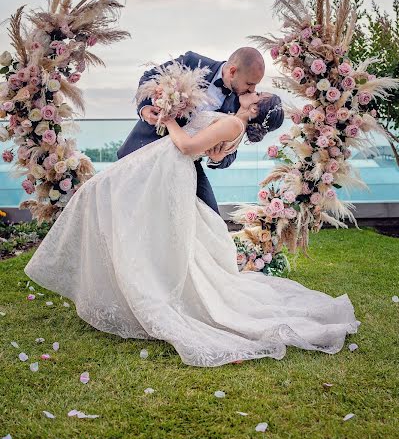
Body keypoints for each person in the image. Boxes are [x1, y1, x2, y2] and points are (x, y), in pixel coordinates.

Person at [24, 90, 359, 368]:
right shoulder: (231, 123)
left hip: (169, 166)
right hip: (160, 165)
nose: (251, 91)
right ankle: (124, 278)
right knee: (118, 208)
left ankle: (136, 283)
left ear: (255, 107)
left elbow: (186, 147)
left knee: (106, 200)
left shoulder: (231, 122)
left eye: (257, 94)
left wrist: (169, 119)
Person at [117, 47, 276, 215]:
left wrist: (219, 158)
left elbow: (232, 149)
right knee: (132, 213)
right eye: (250, 84)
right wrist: (144, 108)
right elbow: (150, 77)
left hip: (186, 161)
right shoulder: (193, 62)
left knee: (211, 216)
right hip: (149, 146)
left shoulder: (242, 104)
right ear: (232, 71)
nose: (252, 90)